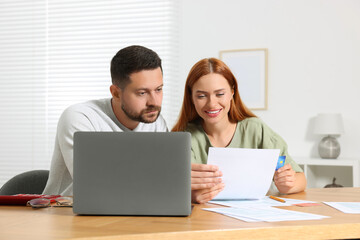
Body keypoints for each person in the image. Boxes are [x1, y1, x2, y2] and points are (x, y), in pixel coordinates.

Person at [172, 58, 306, 204]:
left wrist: (288, 184)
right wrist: (190, 196)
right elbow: (169, 187)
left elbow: (300, 178)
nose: (211, 104)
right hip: (203, 221)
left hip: (255, 219)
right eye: (201, 96)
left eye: (220, 94)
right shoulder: (183, 137)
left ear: (232, 92)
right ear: (191, 97)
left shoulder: (256, 129)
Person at [43, 45, 167, 196]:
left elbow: (160, 182)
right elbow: (94, 185)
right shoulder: (80, 118)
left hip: (131, 211)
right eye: (142, 93)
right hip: (65, 213)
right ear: (116, 93)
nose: (154, 102)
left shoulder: (155, 121)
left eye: (158, 89)